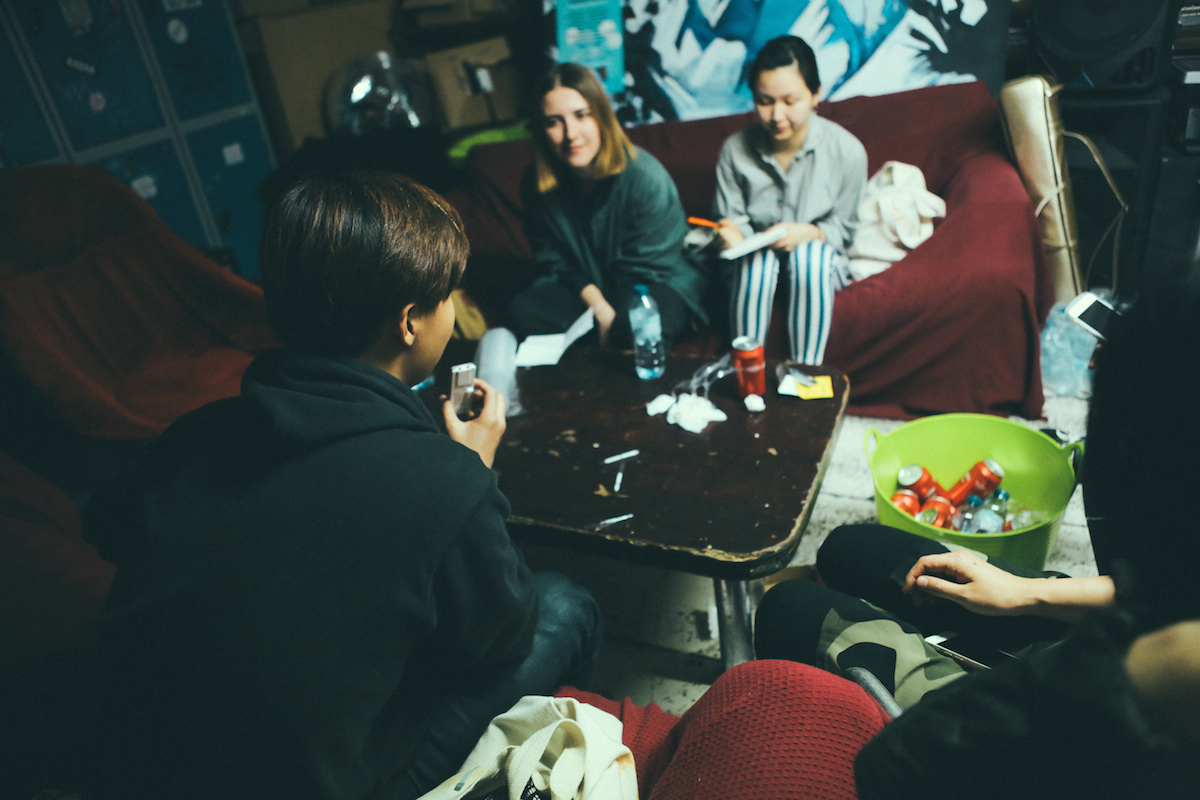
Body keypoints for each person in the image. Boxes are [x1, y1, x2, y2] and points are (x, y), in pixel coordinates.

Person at [72, 171, 602, 800]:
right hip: (330, 782)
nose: (452, 309)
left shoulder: (192, 434)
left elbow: (106, 525)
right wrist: (473, 468)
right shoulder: (443, 481)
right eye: (446, 296)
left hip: (145, 769)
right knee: (564, 603)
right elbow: (497, 645)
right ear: (410, 324)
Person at [756, 274, 1200, 709]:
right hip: (1130, 612)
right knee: (847, 549)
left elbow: (893, 769)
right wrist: (1024, 593)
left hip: (1087, 714)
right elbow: (1165, 587)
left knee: (788, 609)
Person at [508, 62, 708, 348]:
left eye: (581, 116)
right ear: (541, 129)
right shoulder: (536, 182)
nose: (570, 134)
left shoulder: (645, 177)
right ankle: (603, 337)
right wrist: (599, 307)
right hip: (589, 289)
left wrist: (610, 317)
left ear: (601, 117)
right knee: (523, 311)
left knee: (638, 325)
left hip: (656, 280)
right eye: (554, 121)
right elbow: (553, 259)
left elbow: (647, 266)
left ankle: (604, 338)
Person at [714, 35, 868, 365]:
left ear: (816, 94)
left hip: (820, 264)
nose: (777, 115)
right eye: (765, 101)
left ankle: (804, 375)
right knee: (758, 261)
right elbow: (733, 222)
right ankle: (746, 370)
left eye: (790, 100)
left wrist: (809, 233)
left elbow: (846, 231)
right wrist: (731, 236)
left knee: (809, 256)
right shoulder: (734, 150)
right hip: (754, 265)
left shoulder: (848, 151)